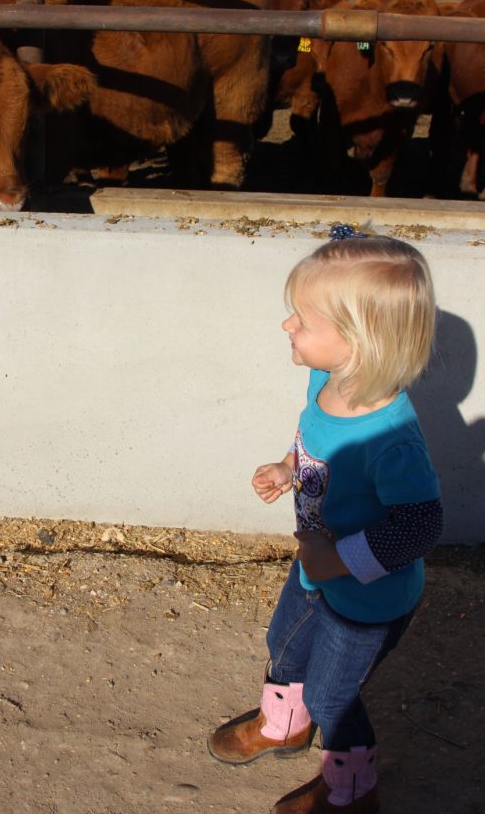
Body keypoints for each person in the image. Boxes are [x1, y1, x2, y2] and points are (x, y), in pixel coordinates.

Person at [207, 224, 443, 814]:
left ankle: (353, 789)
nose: (288, 325)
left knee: (335, 698)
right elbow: (314, 437)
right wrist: (290, 468)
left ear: (360, 341)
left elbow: (419, 526)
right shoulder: (327, 378)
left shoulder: (390, 440)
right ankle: (284, 723)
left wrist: (336, 559)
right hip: (316, 567)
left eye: (303, 319)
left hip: (367, 597)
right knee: (284, 650)